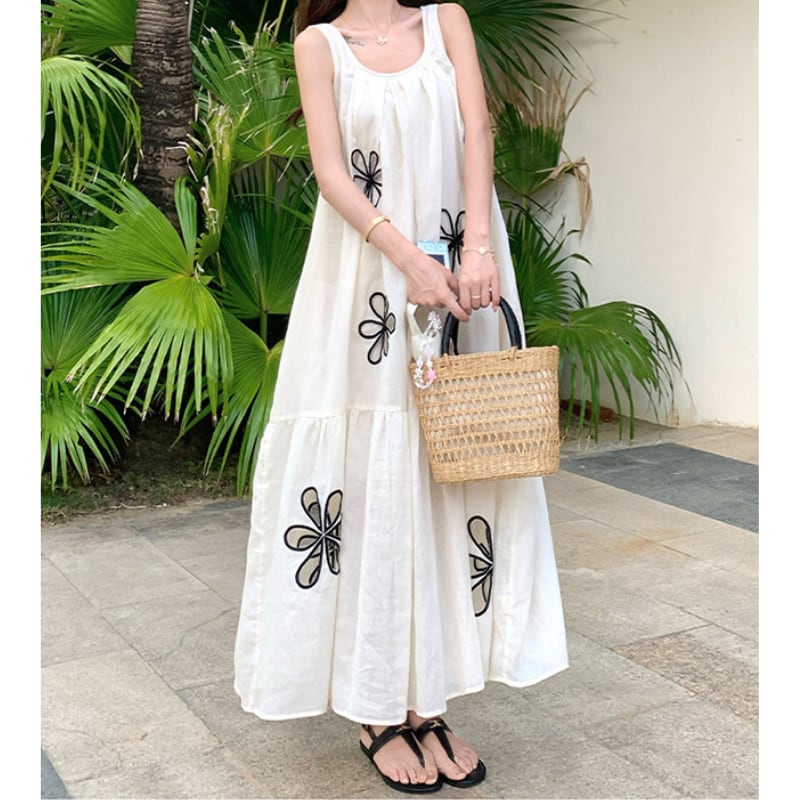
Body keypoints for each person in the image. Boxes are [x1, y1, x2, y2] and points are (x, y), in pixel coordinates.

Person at [234, 0, 569, 793]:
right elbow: (331, 174)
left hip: (464, 266)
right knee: (373, 480)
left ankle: (428, 700)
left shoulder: (447, 20)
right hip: (365, 284)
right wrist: (409, 262)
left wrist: (476, 249)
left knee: (450, 469)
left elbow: (477, 131)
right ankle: (379, 710)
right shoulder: (319, 45)